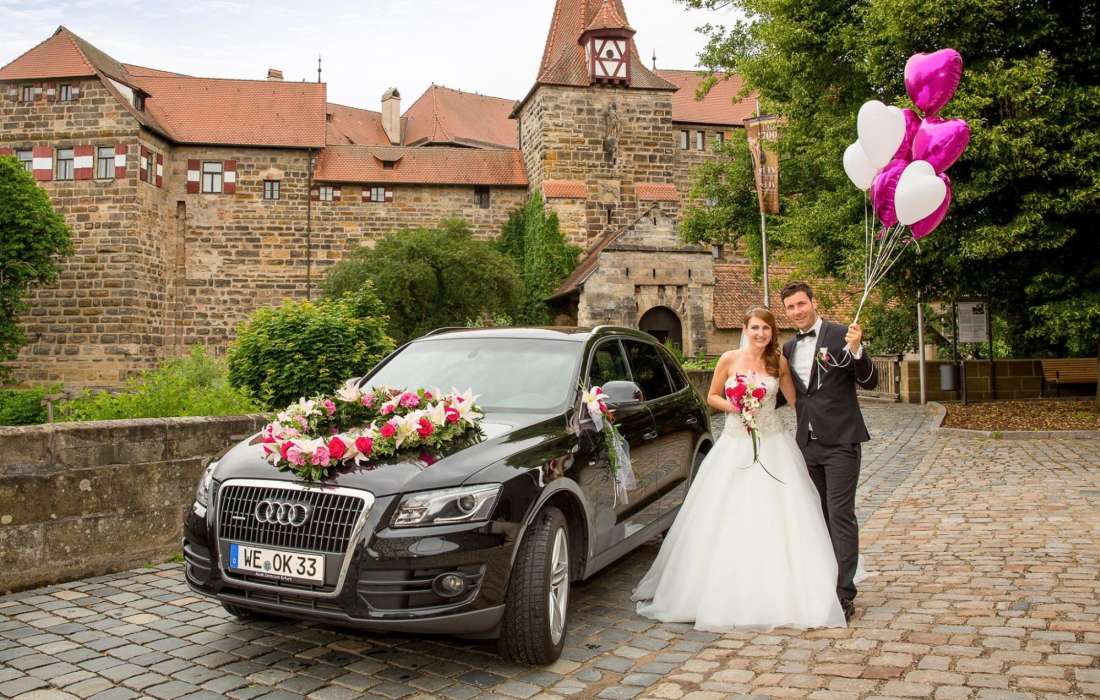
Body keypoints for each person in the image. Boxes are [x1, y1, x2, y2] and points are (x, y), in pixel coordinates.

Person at [632, 307, 846, 631]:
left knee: (780, 516)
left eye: (766, 329)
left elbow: (796, 401)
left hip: (773, 445)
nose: (760, 334)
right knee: (726, 515)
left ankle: (782, 590)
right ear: (745, 329)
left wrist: (829, 412)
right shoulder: (728, 359)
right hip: (734, 445)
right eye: (755, 328)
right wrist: (735, 406)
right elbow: (711, 396)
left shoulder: (778, 363)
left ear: (773, 333)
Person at [779, 281, 878, 621]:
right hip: (807, 446)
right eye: (790, 307)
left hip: (841, 442)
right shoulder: (789, 348)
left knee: (839, 515)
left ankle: (844, 594)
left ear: (813, 302)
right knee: (817, 517)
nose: (797, 311)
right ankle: (822, 584)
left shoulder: (840, 335)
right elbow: (789, 394)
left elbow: (869, 380)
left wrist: (857, 350)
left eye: (801, 304)